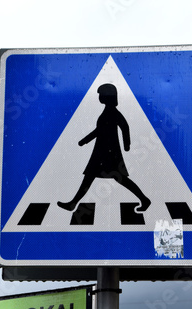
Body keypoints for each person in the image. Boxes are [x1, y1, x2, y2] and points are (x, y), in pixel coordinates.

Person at [57, 83, 151, 212]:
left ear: (108, 96)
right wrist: (84, 141)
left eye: (101, 94)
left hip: (109, 152)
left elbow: (125, 127)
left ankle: (144, 199)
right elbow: (99, 130)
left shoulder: (112, 112)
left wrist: (127, 145)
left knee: (117, 178)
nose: (99, 97)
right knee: (91, 177)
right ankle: (73, 203)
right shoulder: (107, 111)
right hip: (102, 150)